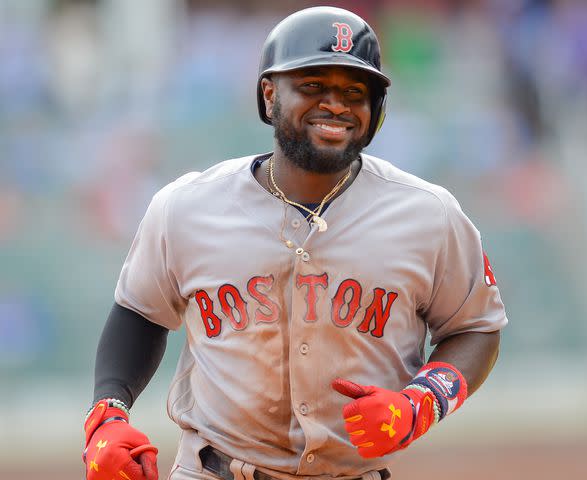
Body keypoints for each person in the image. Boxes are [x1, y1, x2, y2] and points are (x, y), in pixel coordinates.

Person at [82, 6, 508, 480]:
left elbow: (476, 326)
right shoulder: (187, 206)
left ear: (376, 111)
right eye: (312, 86)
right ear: (269, 94)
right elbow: (139, 312)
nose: (336, 104)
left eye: (354, 91)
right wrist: (109, 411)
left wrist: (422, 401)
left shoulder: (430, 213)